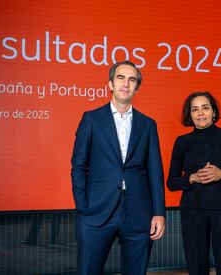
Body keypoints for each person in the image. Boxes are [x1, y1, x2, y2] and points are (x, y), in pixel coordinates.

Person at [71, 60, 166, 275]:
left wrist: (159, 212)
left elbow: (155, 172)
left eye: (132, 79)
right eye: (121, 78)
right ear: (110, 84)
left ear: (137, 87)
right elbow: (78, 166)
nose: (126, 83)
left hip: (138, 212)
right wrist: (83, 205)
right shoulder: (91, 119)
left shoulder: (148, 124)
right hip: (96, 210)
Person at [167, 91, 221, 275]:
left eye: (205, 108)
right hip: (192, 210)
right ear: (190, 115)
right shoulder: (182, 142)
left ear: (213, 112)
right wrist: (191, 178)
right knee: (196, 265)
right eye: (194, 109)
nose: (200, 113)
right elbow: (171, 182)